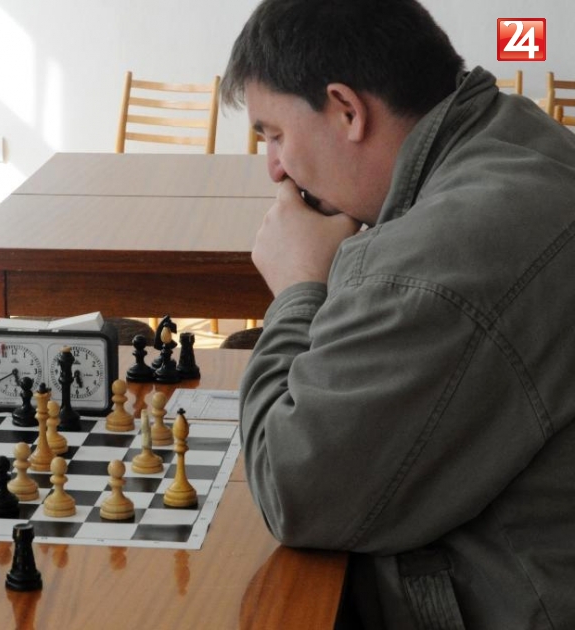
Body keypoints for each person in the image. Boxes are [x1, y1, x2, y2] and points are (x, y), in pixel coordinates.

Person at [221, 1, 575, 628]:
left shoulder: (437, 262)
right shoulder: (508, 130)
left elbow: (292, 489)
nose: (275, 168)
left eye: (275, 135)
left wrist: (298, 288)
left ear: (346, 110)